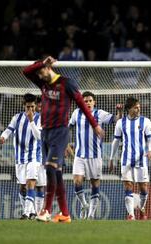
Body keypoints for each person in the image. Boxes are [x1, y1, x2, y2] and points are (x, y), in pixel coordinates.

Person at [23, 56, 104, 223]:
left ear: (49, 69)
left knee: (51, 168)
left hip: (60, 132)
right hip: (45, 132)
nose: (39, 75)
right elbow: (26, 71)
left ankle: (46, 210)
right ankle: (65, 213)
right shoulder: (43, 84)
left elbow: (81, 103)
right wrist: (42, 64)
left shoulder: (67, 83)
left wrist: (95, 125)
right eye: (38, 73)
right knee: (55, 172)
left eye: (41, 72)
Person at [69, 91, 123, 219]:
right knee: (77, 181)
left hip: (95, 156)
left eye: (90, 101)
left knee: (95, 184)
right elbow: (68, 127)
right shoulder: (76, 113)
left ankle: (91, 215)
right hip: (79, 155)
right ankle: (84, 204)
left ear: (94, 102)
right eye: (85, 101)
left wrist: (120, 112)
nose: (87, 103)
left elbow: (116, 120)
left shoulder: (100, 114)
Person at [0, 93, 45, 220]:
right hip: (20, 158)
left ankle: (27, 212)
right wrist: (3, 136)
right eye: (28, 107)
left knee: (32, 183)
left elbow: (38, 137)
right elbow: (9, 129)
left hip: (34, 157)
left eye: (32, 107)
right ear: (24, 106)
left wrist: (31, 121)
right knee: (22, 187)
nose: (30, 109)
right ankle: (31, 212)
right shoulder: (17, 118)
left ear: (35, 106)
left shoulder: (40, 118)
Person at [108, 97, 151, 220]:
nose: (138, 108)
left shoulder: (145, 121)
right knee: (128, 185)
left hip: (141, 159)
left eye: (138, 106)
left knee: (143, 188)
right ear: (129, 109)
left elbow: (150, 138)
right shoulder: (120, 123)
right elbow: (116, 141)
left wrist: (150, 150)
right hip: (126, 159)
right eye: (135, 107)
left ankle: (142, 207)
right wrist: (112, 158)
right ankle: (131, 215)